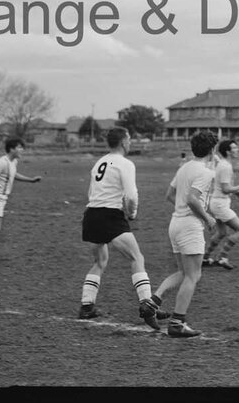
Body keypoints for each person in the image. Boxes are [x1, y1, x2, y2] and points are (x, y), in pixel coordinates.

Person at [77, 126, 165, 330]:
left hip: (91, 215)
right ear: (124, 142)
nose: (131, 142)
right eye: (130, 139)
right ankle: (147, 305)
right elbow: (131, 195)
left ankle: (87, 306)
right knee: (137, 258)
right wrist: (132, 213)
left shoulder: (99, 162)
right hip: (110, 215)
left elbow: (91, 192)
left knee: (100, 261)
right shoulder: (125, 163)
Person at [152, 131, 219, 338]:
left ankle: (152, 303)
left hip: (176, 224)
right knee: (193, 275)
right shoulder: (205, 172)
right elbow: (192, 199)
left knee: (183, 272)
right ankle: (177, 323)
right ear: (212, 149)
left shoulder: (185, 167)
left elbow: (169, 195)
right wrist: (206, 217)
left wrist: (183, 209)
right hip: (189, 226)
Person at [0, 137, 41, 268]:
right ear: (11, 149)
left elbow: (13, 174)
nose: (22, 150)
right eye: (19, 147)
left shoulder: (13, 161)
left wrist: (31, 180)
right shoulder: (2, 162)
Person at [203, 140, 239, 270]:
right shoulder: (225, 167)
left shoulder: (224, 164)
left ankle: (205, 258)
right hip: (220, 204)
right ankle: (222, 257)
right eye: (234, 148)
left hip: (218, 202)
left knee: (221, 232)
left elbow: (223, 187)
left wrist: (236, 192)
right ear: (228, 152)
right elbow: (225, 189)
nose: (237, 149)